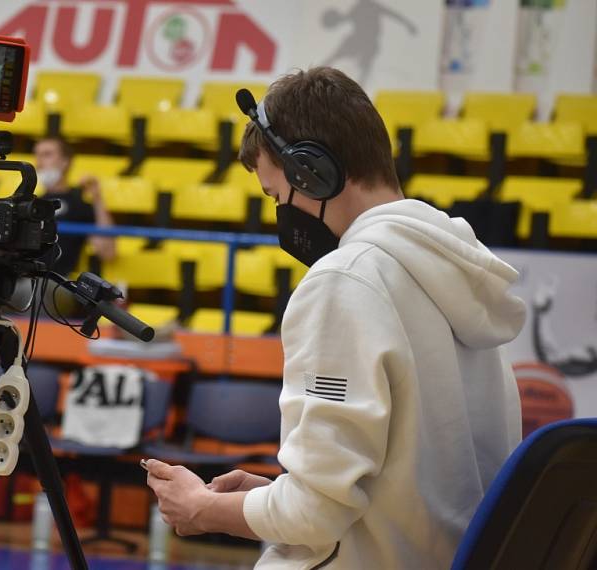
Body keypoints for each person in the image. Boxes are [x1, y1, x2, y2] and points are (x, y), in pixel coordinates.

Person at [145, 67, 526, 569]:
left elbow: (316, 516)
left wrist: (205, 508)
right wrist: (265, 498)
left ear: (313, 172)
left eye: (278, 195)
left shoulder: (346, 280)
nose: (280, 213)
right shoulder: (452, 267)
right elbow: (396, 485)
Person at [33, 135, 116, 275]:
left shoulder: (79, 205)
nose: (39, 162)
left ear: (65, 161)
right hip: (23, 278)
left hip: (56, 282)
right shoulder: (31, 202)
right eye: (37, 155)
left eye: (47, 155)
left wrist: (97, 198)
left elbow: (107, 252)